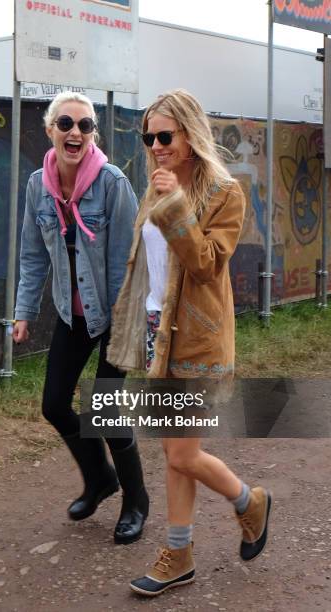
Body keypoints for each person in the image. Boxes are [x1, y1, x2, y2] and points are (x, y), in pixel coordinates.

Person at [107, 89, 272, 595]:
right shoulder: (156, 186)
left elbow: (204, 264)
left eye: (165, 135)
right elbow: (151, 271)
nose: (155, 145)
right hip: (159, 335)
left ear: (189, 134)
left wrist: (175, 204)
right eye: (148, 137)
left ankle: (249, 501)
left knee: (181, 455)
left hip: (199, 341)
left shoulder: (226, 193)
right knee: (174, 452)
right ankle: (179, 554)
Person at [13, 91, 149, 545]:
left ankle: (136, 501)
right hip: (72, 316)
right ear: (50, 129)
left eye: (85, 125)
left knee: (104, 411)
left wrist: (133, 321)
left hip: (114, 313)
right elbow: (33, 256)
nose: (76, 133)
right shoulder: (38, 185)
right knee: (54, 404)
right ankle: (99, 479)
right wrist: (23, 312)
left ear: (93, 133)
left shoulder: (111, 183)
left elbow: (132, 258)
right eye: (66, 124)